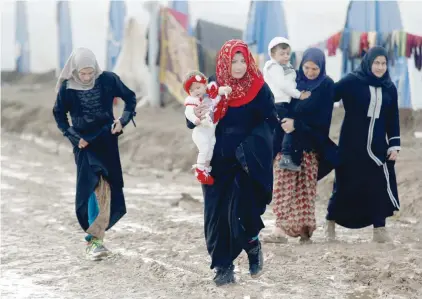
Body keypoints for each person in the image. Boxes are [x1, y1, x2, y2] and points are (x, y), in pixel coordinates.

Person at [186, 40, 278, 286]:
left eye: (242, 60)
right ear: (224, 61)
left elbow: (271, 122)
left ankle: (252, 245)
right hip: (217, 160)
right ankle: (222, 266)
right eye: (233, 61)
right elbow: (195, 111)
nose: (238, 66)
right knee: (216, 214)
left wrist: (252, 148)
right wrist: (194, 116)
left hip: (246, 161)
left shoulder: (259, 88)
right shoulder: (213, 85)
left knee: (242, 210)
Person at [52, 48, 137, 260]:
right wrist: (73, 137)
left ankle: (96, 239)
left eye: (91, 73)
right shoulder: (67, 88)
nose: (88, 77)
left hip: (106, 140)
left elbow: (130, 98)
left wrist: (122, 121)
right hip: (83, 145)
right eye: (83, 74)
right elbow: (59, 115)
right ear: (75, 71)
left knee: (107, 187)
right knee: (92, 184)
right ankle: (94, 242)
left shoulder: (108, 80)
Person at [325, 46, 400, 243]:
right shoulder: (353, 81)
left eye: (383, 63)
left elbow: (393, 118)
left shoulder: (389, 87)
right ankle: (330, 223)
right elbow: (329, 95)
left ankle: (380, 229)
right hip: (351, 144)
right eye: (376, 63)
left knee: (378, 185)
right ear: (368, 62)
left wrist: (394, 145)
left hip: (377, 147)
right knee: (344, 185)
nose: (380, 67)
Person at [263, 48, 335, 244]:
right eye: (306, 67)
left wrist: (297, 125)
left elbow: (323, 120)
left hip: (310, 146)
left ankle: (305, 231)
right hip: (286, 146)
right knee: (283, 188)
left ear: (322, 67)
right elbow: (280, 102)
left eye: (315, 68)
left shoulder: (326, 86)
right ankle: (279, 230)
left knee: (306, 190)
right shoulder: (294, 82)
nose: (310, 72)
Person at [263, 37, 311, 172]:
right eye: (282, 54)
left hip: (284, 102)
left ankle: (271, 160)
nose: (286, 56)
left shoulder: (286, 67)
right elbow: (283, 85)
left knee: (279, 133)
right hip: (278, 103)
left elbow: (292, 81)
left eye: (287, 53)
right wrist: (299, 94)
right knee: (289, 126)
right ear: (272, 55)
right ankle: (285, 156)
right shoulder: (273, 67)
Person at [183, 70, 231, 185]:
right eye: (192, 90)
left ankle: (205, 168)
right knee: (204, 148)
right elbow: (189, 115)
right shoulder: (194, 101)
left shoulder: (210, 93)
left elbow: (217, 90)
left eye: (198, 88)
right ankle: (200, 170)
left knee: (210, 147)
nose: (196, 91)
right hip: (203, 131)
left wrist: (225, 90)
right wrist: (196, 119)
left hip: (213, 133)